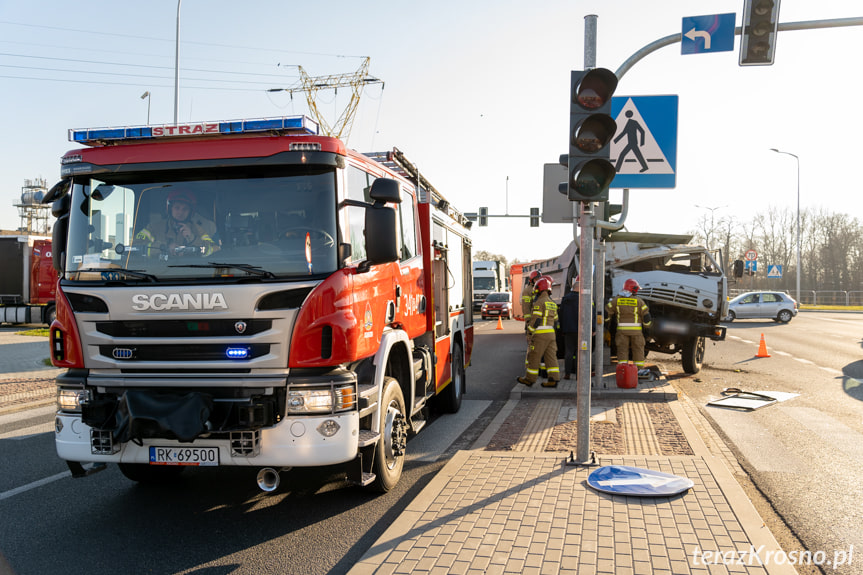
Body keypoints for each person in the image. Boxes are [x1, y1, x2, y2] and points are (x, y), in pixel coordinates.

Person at [135, 189, 219, 257]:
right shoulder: (154, 228)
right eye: (177, 208)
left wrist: (192, 238)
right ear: (170, 208)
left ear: (191, 212)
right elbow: (135, 248)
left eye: (185, 209)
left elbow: (213, 249)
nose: (180, 212)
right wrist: (165, 247)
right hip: (159, 273)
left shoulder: (198, 229)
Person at [517, 276, 560, 387]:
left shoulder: (539, 303)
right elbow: (556, 320)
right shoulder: (552, 303)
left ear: (538, 289)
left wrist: (530, 332)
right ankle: (554, 379)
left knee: (534, 356)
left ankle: (530, 379)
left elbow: (536, 320)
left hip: (540, 334)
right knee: (551, 357)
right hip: (551, 334)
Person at [605, 278, 652, 369]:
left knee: (622, 351)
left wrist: (606, 325)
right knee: (638, 350)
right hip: (636, 333)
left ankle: (623, 370)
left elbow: (607, 312)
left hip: (622, 332)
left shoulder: (616, 300)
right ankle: (638, 371)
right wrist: (647, 329)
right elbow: (646, 317)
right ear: (633, 289)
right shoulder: (639, 301)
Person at [558, 278, 580, 380]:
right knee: (580, 352)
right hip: (581, 330)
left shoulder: (565, 299)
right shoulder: (584, 299)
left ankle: (567, 374)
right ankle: (578, 374)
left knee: (569, 352)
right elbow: (591, 314)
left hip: (568, 330)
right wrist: (593, 328)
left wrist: (562, 329)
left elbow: (561, 315)